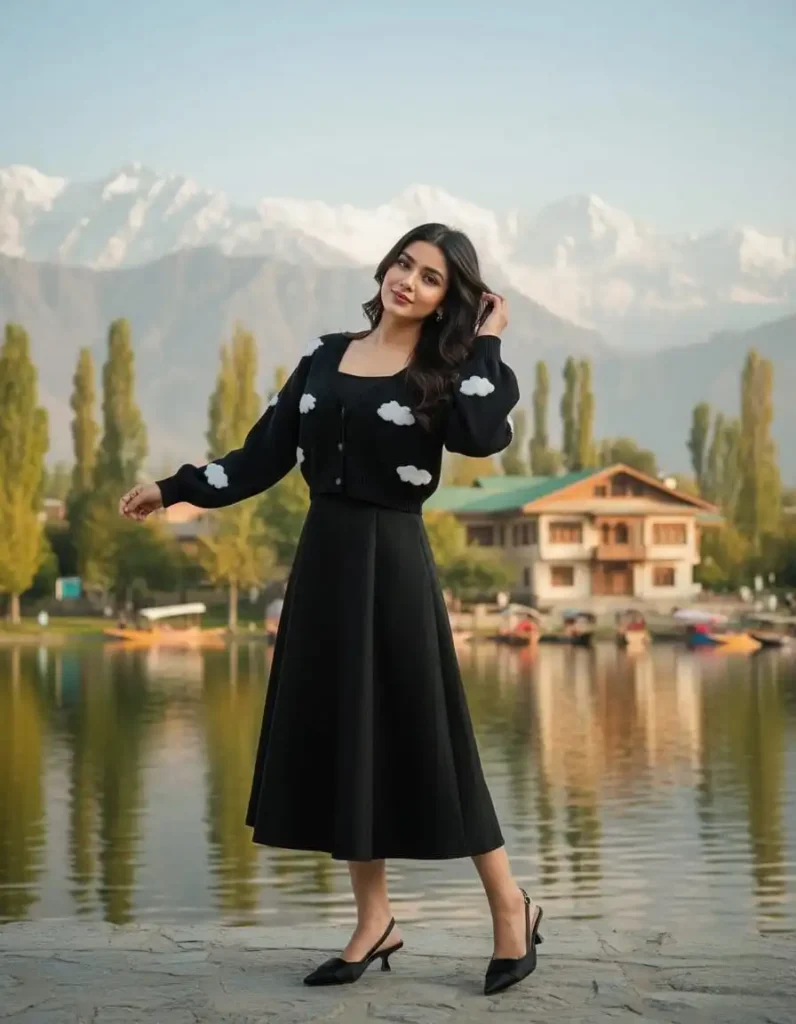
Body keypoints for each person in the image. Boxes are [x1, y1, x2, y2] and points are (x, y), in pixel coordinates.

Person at [119, 222, 543, 995]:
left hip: (397, 562)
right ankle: (373, 920)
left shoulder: (445, 370)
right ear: (385, 267)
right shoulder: (324, 356)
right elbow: (261, 456)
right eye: (404, 263)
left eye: (432, 278)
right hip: (325, 562)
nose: (408, 281)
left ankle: (510, 907)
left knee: (437, 739)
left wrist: (487, 340)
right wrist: (173, 488)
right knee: (351, 738)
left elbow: (483, 437)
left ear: (450, 300)